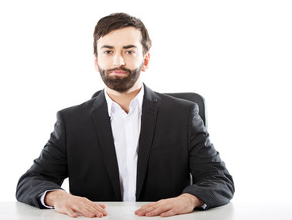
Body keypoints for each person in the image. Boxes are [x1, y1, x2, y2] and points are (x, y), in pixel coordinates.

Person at [16, 12, 234, 218]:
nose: (118, 61)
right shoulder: (72, 122)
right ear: (96, 61)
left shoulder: (183, 115)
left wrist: (189, 199)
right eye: (108, 51)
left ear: (145, 60)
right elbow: (32, 180)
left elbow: (219, 180)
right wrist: (58, 197)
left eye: (129, 51)